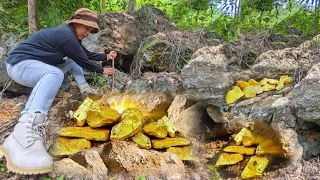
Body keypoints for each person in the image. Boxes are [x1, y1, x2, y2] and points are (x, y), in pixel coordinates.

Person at [0, 8, 117, 174]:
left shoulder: (71, 38)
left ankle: (84, 89)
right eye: (87, 28)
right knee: (54, 72)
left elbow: (85, 54)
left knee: (71, 62)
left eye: (91, 30)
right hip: (20, 65)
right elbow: (84, 60)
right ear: (76, 23)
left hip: (35, 65)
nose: (88, 32)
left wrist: (106, 57)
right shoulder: (66, 36)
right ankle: (23, 131)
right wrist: (101, 70)